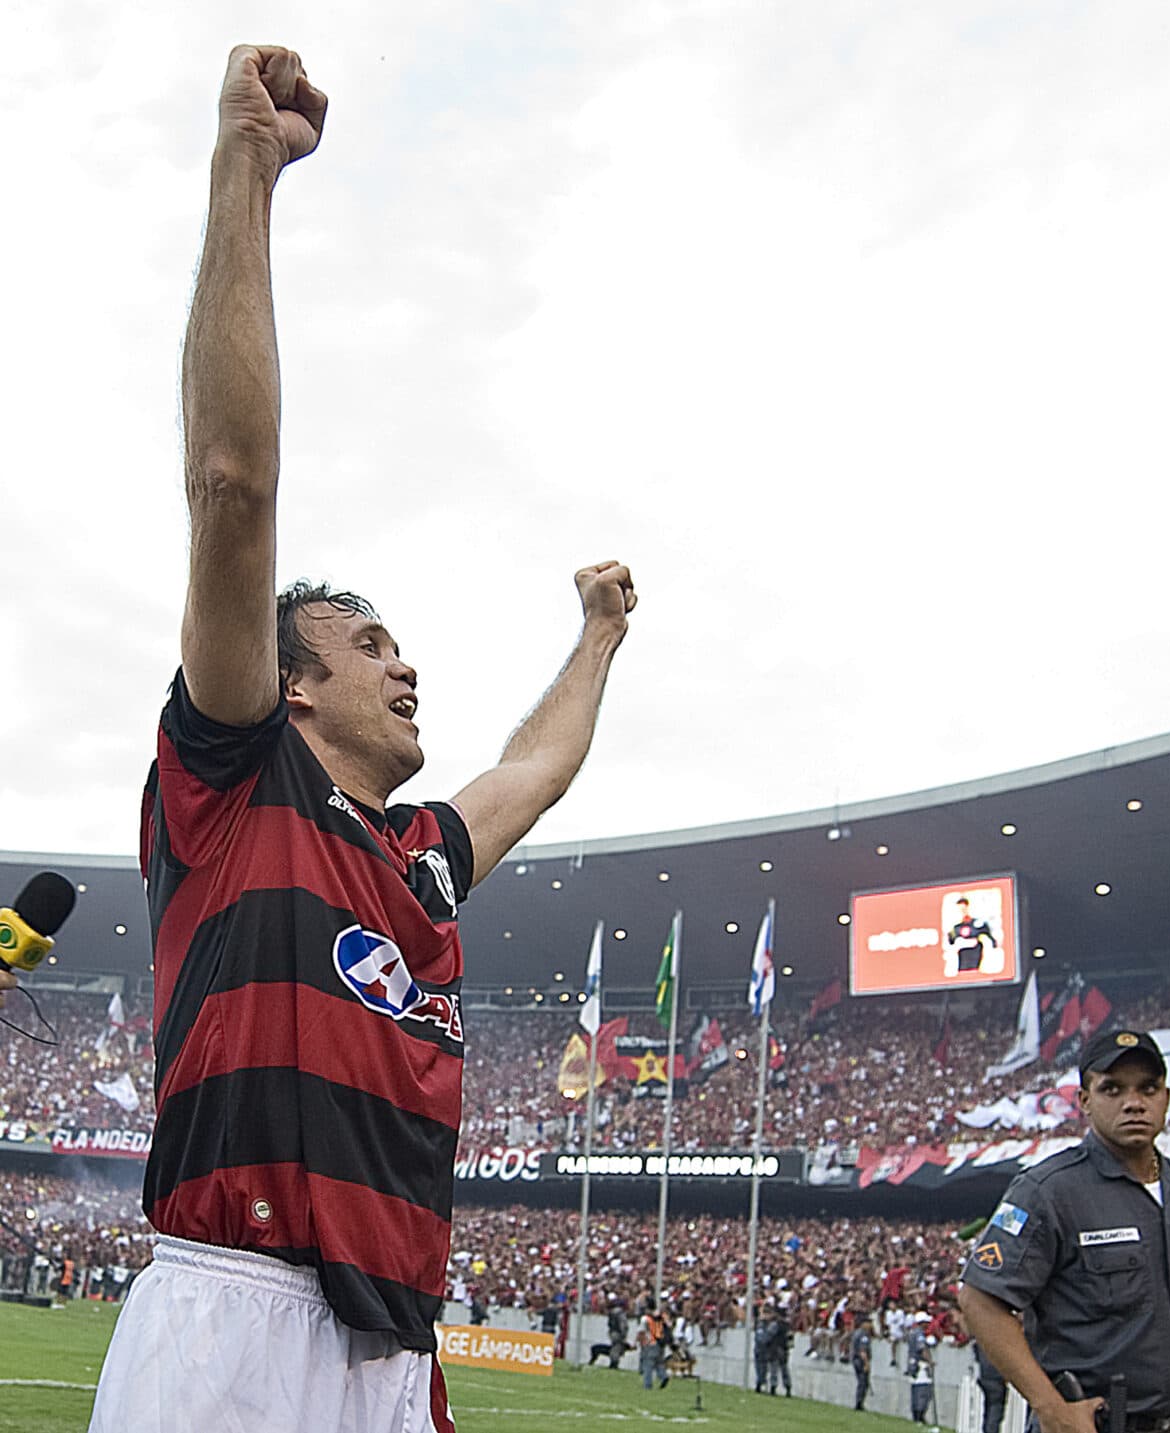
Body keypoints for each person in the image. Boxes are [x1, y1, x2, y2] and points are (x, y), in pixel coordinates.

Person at [88, 45, 636, 1433]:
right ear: (294, 690)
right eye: (371, 643)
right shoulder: (232, 776)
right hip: (234, 1316)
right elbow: (229, 481)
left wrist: (597, 640)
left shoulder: (421, 861)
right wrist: (247, 170)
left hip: (397, 1350)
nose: (407, 664)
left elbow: (536, 771)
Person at [960, 1029, 1170, 1433]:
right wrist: (1051, 1408)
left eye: (1148, 1088)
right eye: (1113, 1089)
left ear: (1166, 1099)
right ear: (1085, 1101)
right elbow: (981, 1299)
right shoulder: (1049, 1189)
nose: (1134, 1103)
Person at [947, 896, 1002, 976]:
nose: (962, 911)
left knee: (974, 972)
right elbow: (951, 941)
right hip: (963, 956)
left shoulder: (978, 924)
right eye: (960, 909)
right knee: (963, 973)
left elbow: (989, 936)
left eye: (964, 908)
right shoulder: (956, 927)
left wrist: (993, 945)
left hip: (975, 954)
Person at [755, 1305, 792, 1395]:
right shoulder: (787, 1325)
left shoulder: (774, 1325)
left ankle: (773, 1387)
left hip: (774, 1349)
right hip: (784, 1350)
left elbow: (768, 1337)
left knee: (773, 1370)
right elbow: (790, 1339)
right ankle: (788, 1388)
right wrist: (787, 1349)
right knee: (784, 1370)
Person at [851, 1323, 876, 1410]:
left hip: (855, 1360)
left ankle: (859, 1402)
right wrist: (866, 1364)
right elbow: (863, 1351)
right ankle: (859, 1403)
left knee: (861, 1382)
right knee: (863, 1382)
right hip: (861, 1361)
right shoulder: (864, 1336)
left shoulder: (856, 1333)